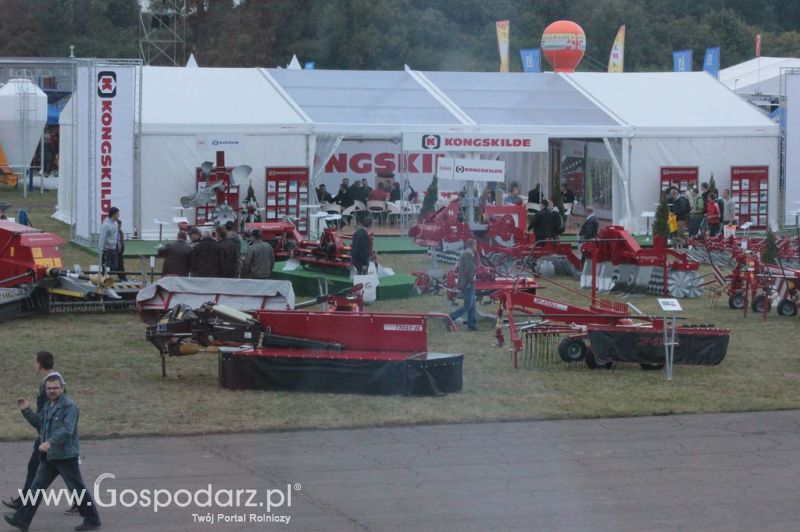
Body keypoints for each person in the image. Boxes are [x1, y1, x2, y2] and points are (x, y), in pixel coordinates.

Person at [5, 374, 102, 532]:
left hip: (66, 456)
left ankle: (92, 519)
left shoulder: (69, 406)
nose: (52, 391)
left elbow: (67, 430)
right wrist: (26, 411)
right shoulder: (48, 405)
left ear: (62, 388)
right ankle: (21, 520)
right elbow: (39, 424)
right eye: (49, 388)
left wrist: (49, 442)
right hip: (49, 457)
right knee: (35, 488)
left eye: (55, 388)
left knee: (77, 489)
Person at [2, 352, 65, 512]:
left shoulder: (48, 384)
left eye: (34, 362)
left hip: (49, 435)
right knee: (58, 469)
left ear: (39, 364)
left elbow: (46, 415)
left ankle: (24, 506)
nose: (33, 365)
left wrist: (26, 411)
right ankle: (23, 501)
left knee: (66, 471)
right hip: (51, 434)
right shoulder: (54, 380)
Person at [448, 239, 478, 331]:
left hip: (466, 282)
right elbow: (469, 270)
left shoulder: (464, 253)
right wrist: (472, 281)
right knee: (468, 305)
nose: (476, 248)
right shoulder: (468, 254)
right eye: (475, 246)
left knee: (472, 305)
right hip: (467, 283)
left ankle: (471, 325)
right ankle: (449, 318)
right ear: (472, 245)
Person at [97, 206, 121, 274]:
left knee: (113, 268)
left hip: (114, 249)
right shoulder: (105, 225)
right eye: (117, 214)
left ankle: (111, 279)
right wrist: (101, 252)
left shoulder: (115, 223)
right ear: (113, 215)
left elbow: (116, 235)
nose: (119, 215)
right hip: (107, 250)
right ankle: (104, 280)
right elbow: (102, 239)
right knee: (105, 268)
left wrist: (118, 243)